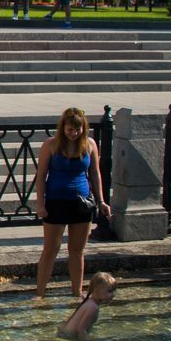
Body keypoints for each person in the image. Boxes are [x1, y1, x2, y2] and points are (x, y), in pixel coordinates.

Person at [34, 107, 110, 299]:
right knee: (50, 249)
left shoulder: (90, 144)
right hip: (55, 201)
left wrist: (101, 200)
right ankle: (40, 293)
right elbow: (41, 175)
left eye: (78, 130)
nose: (74, 133)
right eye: (70, 130)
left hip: (82, 204)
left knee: (76, 251)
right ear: (63, 128)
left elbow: (95, 174)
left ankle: (77, 292)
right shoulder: (50, 145)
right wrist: (40, 203)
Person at [57, 272, 117, 341]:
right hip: (67, 339)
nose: (113, 294)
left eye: (114, 290)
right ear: (96, 290)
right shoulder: (93, 307)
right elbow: (81, 330)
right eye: (109, 291)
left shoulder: (89, 302)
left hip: (64, 334)